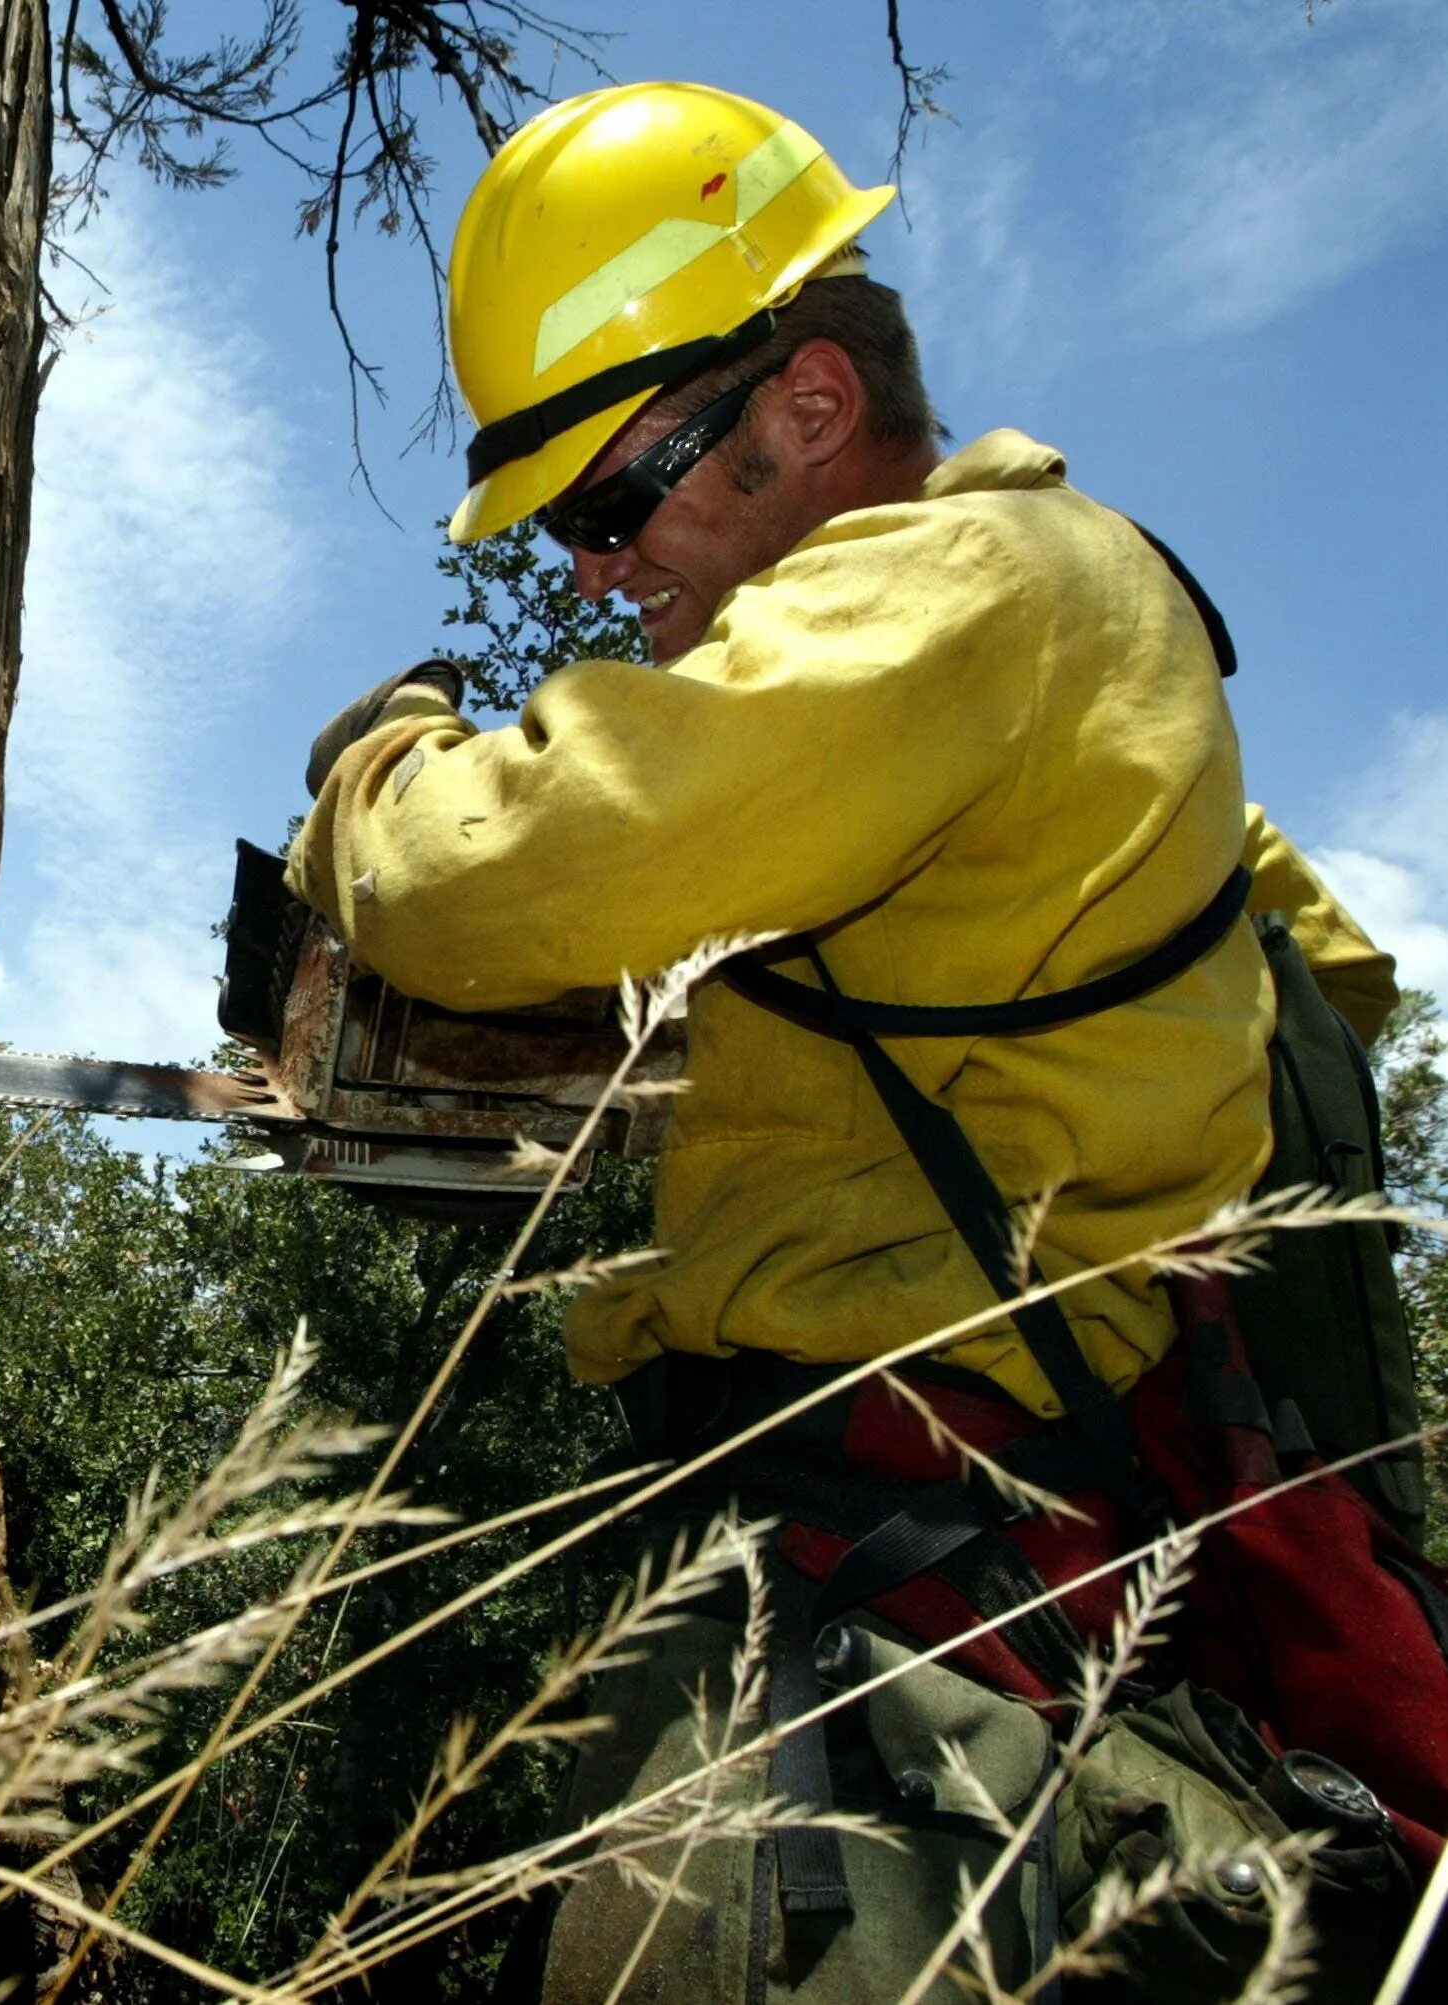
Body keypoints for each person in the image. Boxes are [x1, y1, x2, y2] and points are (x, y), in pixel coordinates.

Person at [288, 82, 1416, 2003]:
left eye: (606, 497)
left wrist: (369, 772)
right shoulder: (1052, 652)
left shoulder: (956, 585)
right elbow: (1319, 977)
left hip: (894, 1587)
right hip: (1019, 1546)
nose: (586, 566)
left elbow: (486, 872)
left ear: (806, 408)